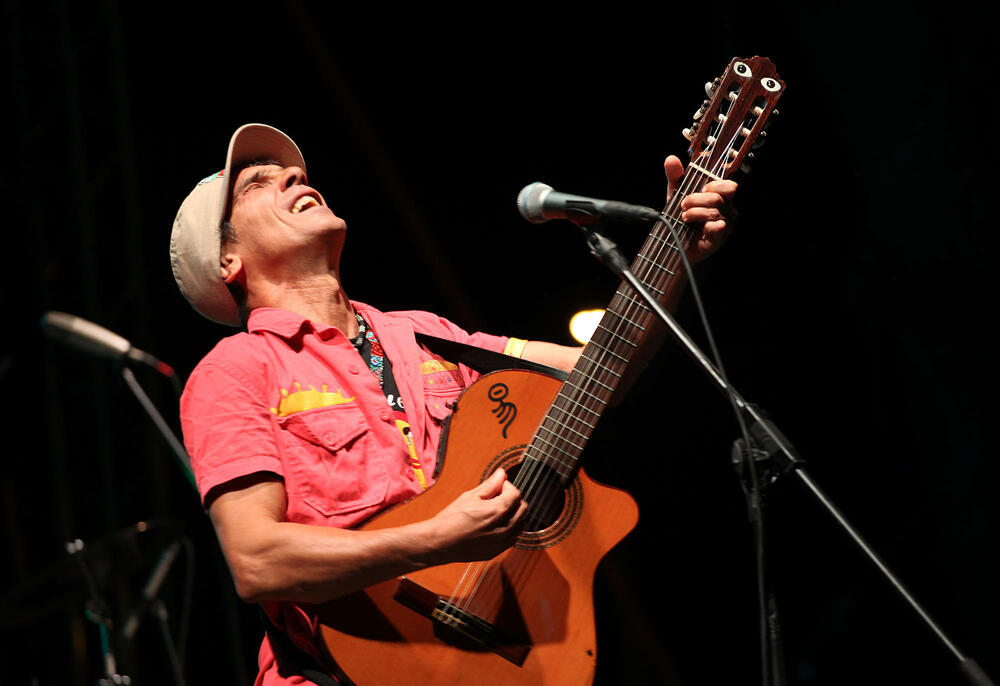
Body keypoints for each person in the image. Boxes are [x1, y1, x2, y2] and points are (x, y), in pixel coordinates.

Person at [170, 123, 736, 685]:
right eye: (257, 183)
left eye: (293, 170)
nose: (296, 174)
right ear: (227, 261)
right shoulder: (235, 370)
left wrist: (674, 256)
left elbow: (602, 370)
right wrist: (438, 539)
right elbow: (258, 561)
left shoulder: (428, 334)